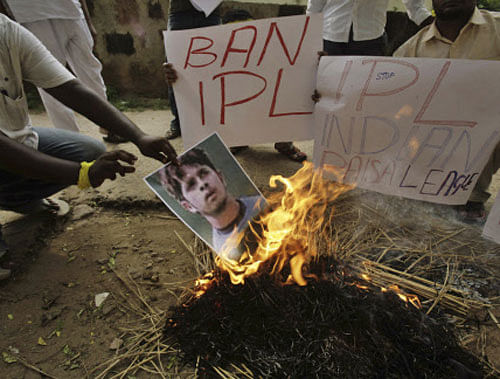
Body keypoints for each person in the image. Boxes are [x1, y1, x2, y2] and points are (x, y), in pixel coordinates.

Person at [0, 12, 177, 278]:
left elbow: (70, 88)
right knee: (80, 164)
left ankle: (17, 197)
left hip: (14, 143)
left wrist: (138, 136)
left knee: (88, 151)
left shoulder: (7, 32)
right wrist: (81, 174)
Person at [394, 0, 500, 223]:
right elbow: (382, 99)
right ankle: (441, 190)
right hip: (434, 145)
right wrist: (329, 77)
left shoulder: (497, 30)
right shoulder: (411, 50)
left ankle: (471, 196)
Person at [163, 8, 308, 162]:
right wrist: (177, 76)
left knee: (285, 93)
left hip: (264, 103)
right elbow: (197, 87)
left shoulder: (273, 52)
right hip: (237, 107)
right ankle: (237, 140)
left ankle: (284, 142)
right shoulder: (213, 60)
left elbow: (295, 75)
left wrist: (315, 63)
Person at [2, 0, 125, 143]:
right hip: (31, 15)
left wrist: (87, 18)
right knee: (50, 82)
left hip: (71, 11)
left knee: (91, 72)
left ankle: (110, 125)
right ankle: (73, 140)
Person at [160, 148, 265, 260]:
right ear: (188, 206)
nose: (202, 184)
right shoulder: (222, 251)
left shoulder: (266, 207)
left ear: (220, 177)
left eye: (203, 173)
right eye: (191, 184)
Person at [165, 0, 222, 140]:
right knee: (175, 69)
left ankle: (211, 122)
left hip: (210, 12)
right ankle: (179, 122)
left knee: (213, 70)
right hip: (180, 11)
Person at [306, 0, 433, 56]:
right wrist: (309, 37)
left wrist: (434, 24)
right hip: (329, 39)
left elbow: (415, 6)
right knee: (327, 91)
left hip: (371, 41)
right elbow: (314, 6)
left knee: (366, 95)